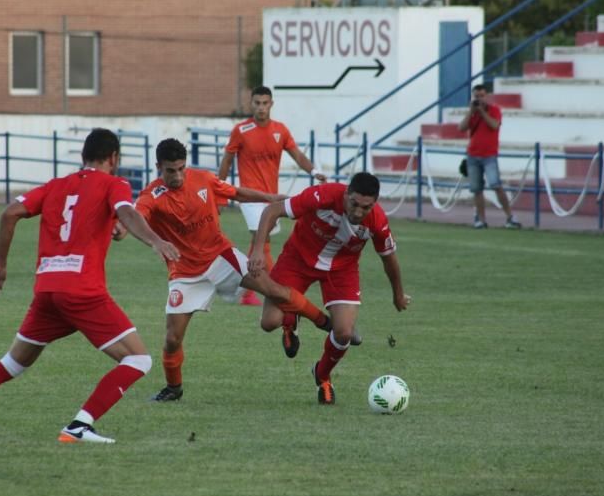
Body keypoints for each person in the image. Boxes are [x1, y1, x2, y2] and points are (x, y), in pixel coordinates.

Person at [0, 129, 180, 445]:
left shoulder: (55, 186)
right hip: (83, 291)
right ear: (114, 158)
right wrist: (155, 239)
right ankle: (79, 426)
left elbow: (10, 212)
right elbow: (125, 211)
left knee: (11, 363)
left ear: (83, 157)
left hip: (47, 291)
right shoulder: (115, 184)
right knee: (139, 360)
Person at [135, 138, 333, 402]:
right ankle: (174, 389)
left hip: (221, 256)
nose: (178, 176)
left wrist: (271, 198)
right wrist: (156, 241)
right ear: (159, 167)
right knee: (172, 339)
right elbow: (136, 217)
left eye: (182, 168)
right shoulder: (152, 195)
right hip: (185, 273)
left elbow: (236, 193)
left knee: (274, 290)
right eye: (171, 170)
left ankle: (325, 322)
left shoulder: (203, 179)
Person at [249, 172, 411, 405]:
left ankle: (322, 376)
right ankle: (290, 323)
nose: (358, 212)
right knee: (269, 323)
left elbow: (389, 259)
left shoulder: (377, 221)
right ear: (346, 194)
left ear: (374, 203)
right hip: (298, 258)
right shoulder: (322, 196)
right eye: (354, 204)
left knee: (344, 332)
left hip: (341, 270)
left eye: (365, 207)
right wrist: (257, 250)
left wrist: (398, 295)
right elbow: (272, 210)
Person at [217, 85, 327, 305]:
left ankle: (246, 291)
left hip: (272, 199)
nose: (261, 107)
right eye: (257, 103)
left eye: (265, 103)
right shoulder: (241, 130)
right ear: (252, 104)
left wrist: (314, 171)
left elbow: (297, 155)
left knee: (260, 241)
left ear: (271, 104)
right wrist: (219, 193)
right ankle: (279, 288)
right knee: (262, 239)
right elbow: (227, 161)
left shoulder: (281, 130)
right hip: (249, 197)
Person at [458, 84, 521, 229]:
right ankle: (481, 219)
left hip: (489, 155)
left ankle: (509, 217)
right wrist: (471, 112)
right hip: (473, 155)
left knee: (496, 185)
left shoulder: (495, 110)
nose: (479, 99)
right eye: (476, 96)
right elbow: (461, 128)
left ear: (487, 96)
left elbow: (494, 125)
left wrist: (482, 112)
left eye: (482, 96)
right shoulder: (473, 113)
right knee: (476, 189)